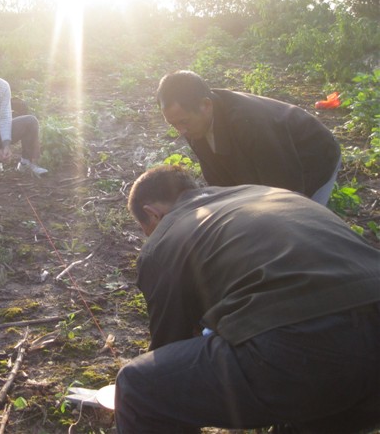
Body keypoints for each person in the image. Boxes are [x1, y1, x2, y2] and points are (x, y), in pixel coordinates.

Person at [115, 165, 380, 433]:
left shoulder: (164, 237)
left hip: (303, 347)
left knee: (140, 388)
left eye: (146, 230)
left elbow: (168, 346)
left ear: (152, 213)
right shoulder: (265, 193)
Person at [156, 70, 341, 206]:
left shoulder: (250, 123)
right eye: (173, 124)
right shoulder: (193, 124)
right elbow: (219, 180)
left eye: (183, 122)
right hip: (269, 160)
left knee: (303, 223)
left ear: (205, 105)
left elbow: (287, 193)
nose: (180, 130)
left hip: (312, 157)